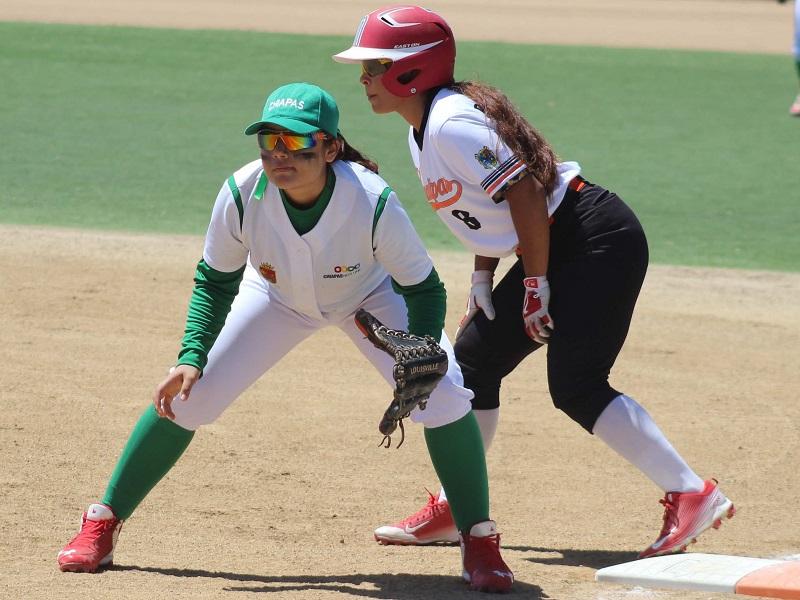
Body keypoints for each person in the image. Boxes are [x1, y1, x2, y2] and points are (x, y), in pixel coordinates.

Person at [57, 82, 514, 593]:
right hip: (275, 296)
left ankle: (478, 539)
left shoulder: (371, 200)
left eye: (297, 142)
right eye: (270, 140)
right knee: (188, 395)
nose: (280, 154)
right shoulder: (240, 193)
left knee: (445, 396)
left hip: (368, 298)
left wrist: (424, 349)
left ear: (330, 147)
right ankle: (102, 521)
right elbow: (215, 280)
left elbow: (424, 289)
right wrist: (191, 354)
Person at [333, 7, 736, 559]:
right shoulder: (423, 127)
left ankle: (692, 493)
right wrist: (483, 275)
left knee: (577, 385)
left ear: (413, 70)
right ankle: (461, 506)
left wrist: (533, 284)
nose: (364, 80)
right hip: (554, 242)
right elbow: (482, 208)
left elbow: (523, 191)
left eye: (375, 66)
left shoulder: (450, 122)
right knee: (472, 364)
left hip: (591, 238)